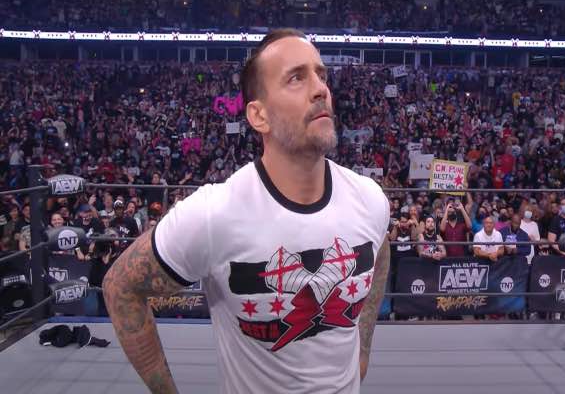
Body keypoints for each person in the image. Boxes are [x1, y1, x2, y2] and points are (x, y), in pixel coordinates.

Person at [103, 28, 390, 394]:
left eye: (321, 75)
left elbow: (379, 249)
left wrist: (363, 347)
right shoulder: (215, 214)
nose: (321, 89)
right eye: (296, 78)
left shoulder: (368, 198)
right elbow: (121, 287)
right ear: (258, 115)